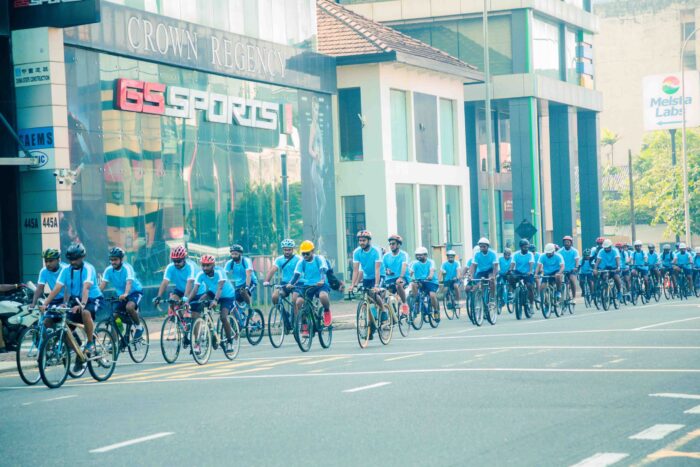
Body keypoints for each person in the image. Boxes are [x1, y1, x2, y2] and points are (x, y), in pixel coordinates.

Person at [41, 243, 103, 359]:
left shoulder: (88, 268)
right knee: (65, 331)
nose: (73, 262)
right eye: (70, 259)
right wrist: (45, 304)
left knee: (85, 312)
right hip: (76, 299)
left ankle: (90, 342)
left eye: (75, 259)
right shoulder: (66, 270)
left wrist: (82, 305)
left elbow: (86, 288)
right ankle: (80, 356)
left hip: (93, 298)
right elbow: (57, 288)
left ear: (82, 257)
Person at [187, 255, 236, 350]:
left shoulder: (219, 272)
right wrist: (187, 302)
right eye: (203, 265)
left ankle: (230, 342)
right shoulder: (200, 274)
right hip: (213, 292)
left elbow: (220, 287)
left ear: (213, 265)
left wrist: (215, 301)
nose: (205, 268)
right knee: (201, 301)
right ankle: (210, 329)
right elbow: (195, 289)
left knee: (223, 317)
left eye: (208, 265)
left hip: (227, 295)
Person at [99, 247, 145, 340]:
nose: (113, 262)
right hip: (121, 295)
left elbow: (129, 282)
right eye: (111, 260)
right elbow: (102, 285)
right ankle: (123, 335)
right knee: (115, 316)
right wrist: (97, 296)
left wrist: (126, 293)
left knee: (129, 307)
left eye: (115, 259)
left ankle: (139, 327)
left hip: (135, 292)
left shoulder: (127, 268)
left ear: (121, 259)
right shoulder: (108, 270)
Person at [286, 240, 332, 327]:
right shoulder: (301, 262)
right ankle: (305, 324)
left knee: (323, 296)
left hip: (320, 284)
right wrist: (290, 283)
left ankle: (326, 311)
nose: (305, 256)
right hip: (308, 285)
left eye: (307, 253)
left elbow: (322, 270)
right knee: (299, 302)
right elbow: (296, 275)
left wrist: (322, 280)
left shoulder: (319, 259)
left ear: (312, 251)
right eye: (303, 254)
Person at [153, 246, 203, 312]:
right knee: (172, 301)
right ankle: (177, 316)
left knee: (194, 314)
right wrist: (159, 296)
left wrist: (185, 298)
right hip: (180, 289)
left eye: (178, 261)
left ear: (184, 259)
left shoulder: (190, 266)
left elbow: (189, 283)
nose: (176, 263)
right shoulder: (170, 267)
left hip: (196, 291)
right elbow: (165, 282)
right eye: (174, 261)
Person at [349, 230, 385, 312]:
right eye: (360, 240)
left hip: (379, 274)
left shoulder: (375, 251)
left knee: (373, 294)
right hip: (367, 276)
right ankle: (370, 315)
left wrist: (376, 285)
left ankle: (383, 310)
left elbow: (377, 269)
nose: (361, 243)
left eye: (364, 240)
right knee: (366, 294)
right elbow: (355, 271)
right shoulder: (356, 252)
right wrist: (353, 285)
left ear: (369, 241)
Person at [263, 239, 302, 314]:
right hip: (285, 283)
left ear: (293, 249)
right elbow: (272, 270)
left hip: (298, 283)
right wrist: (267, 281)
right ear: (283, 250)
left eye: (289, 250)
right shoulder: (279, 259)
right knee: (275, 297)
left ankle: (296, 319)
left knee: (295, 300)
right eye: (285, 250)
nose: (287, 252)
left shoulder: (299, 259)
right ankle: (284, 314)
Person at [224, 244, 257, 311]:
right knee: (233, 300)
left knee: (243, 292)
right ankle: (240, 315)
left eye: (236, 254)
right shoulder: (230, 263)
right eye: (232, 254)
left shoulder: (246, 261)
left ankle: (250, 309)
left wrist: (247, 287)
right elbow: (223, 276)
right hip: (238, 285)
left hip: (250, 282)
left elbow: (248, 275)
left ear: (240, 254)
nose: (234, 256)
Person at [410, 246, 439, 319]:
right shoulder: (415, 263)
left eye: (420, 255)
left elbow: (432, 270)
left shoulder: (431, 262)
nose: (418, 257)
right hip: (420, 282)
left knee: (432, 295)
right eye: (417, 255)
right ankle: (417, 301)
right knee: (413, 285)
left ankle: (436, 311)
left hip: (431, 282)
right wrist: (407, 279)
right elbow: (411, 272)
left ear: (425, 255)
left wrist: (430, 276)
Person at [383, 234, 410, 311]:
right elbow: (383, 268)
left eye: (393, 244)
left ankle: (404, 304)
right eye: (390, 244)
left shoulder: (404, 255)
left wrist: (400, 277)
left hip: (403, 277)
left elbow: (404, 266)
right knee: (383, 292)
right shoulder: (386, 256)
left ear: (398, 245)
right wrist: (386, 271)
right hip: (390, 278)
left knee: (398, 285)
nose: (391, 246)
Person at [509, 239, 535, 304]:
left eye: (527, 247)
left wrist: (530, 271)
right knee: (510, 276)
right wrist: (510, 270)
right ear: (520, 247)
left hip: (527, 273)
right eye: (524, 247)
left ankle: (531, 304)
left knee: (529, 286)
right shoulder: (516, 254)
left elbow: (531, 263)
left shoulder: (530, 254)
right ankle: (514, 291)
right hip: (518, 272)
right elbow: (512, 263)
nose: (526, 249)